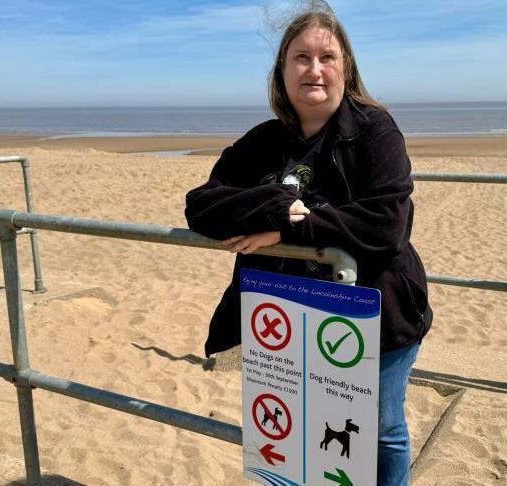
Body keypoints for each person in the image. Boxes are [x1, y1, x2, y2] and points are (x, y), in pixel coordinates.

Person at [185, 3, 432, 485]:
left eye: (327, 57)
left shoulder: (375, 132)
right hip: (289, 319)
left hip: (378, 315)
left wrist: (288, 229)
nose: (314, 69)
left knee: (381, 431)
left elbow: (385, 224)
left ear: (347, 68)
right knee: (301, 423)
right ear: (282, 70)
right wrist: (280, 206)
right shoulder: (262, 142)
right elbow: (203, 206)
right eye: (301, 57)